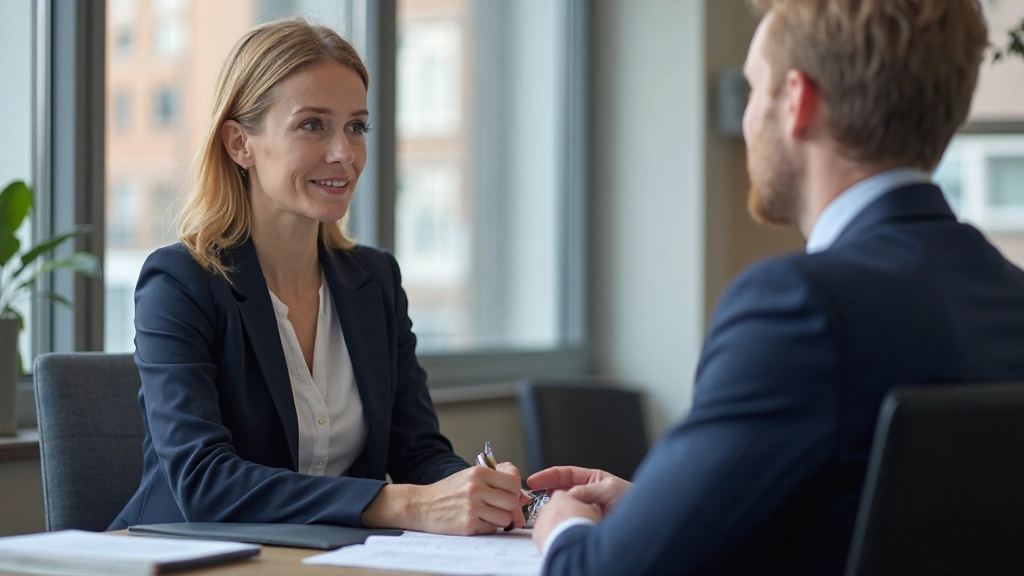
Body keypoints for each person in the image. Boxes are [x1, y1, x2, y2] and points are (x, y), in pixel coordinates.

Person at [528, 1, 1024, 574]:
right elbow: (868, 522)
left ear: (796, 101)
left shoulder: (800, 307)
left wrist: (562, 529)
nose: (744, 118)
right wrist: (657, 512)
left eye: (753, 88)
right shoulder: (1010, 298)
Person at [110, 18, 527, 535]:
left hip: (326, 558)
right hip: (184, 557)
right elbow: (204, 482)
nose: (345, 154)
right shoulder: (180, 282)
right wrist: (406, 505)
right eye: (313, 125)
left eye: (356, 126)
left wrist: (480, 492)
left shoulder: (375, 281)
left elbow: (418, 452)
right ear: (240, 143)